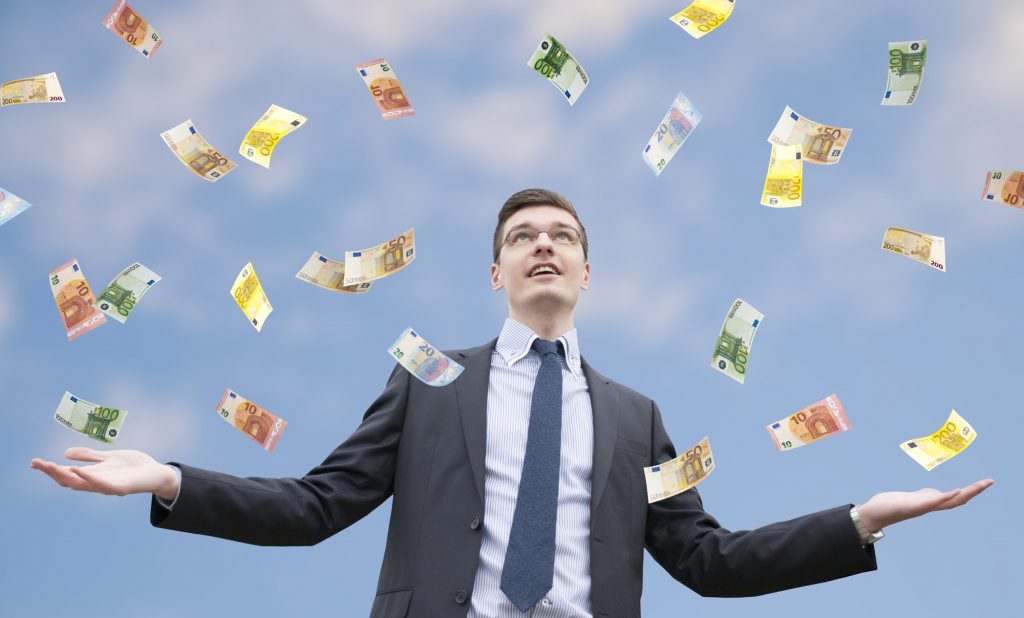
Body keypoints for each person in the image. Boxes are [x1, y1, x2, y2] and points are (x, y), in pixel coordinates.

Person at [32, 188, 993, 617]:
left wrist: (860, 521)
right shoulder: (430, 379)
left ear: (586, 269)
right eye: (523, 236)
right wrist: (167, 478)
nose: (544, 246)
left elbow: (709, 562)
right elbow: (317, 508)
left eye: (562, 236)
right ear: (495, 271)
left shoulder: (636, 417)